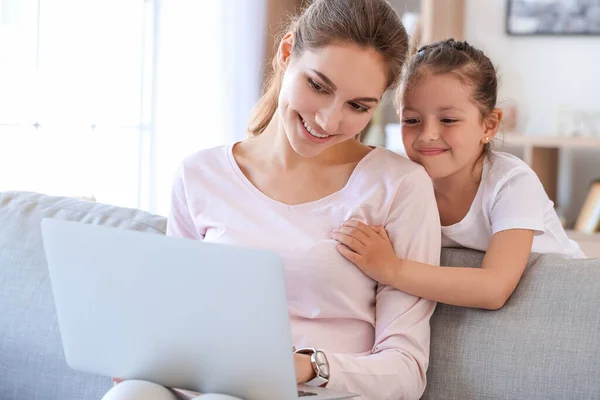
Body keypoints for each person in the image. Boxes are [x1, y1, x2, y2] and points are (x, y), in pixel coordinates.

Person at [103, 1, 442, 400]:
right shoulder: (200, 175)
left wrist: (306, 366)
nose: (329, 121)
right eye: (318, 86)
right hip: (210, 384)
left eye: (357, 106)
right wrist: (146, 355)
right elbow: (178, 316)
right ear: (286, 53)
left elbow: (406, 370)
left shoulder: (399, 186)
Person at [332, 38, 585, 313]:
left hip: (570, 305)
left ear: (488, 125)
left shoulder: (511, 183)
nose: (427, 134)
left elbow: (494, 288)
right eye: (412, 120)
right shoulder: (405, 182)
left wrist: (392, 269)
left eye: (448, 120)